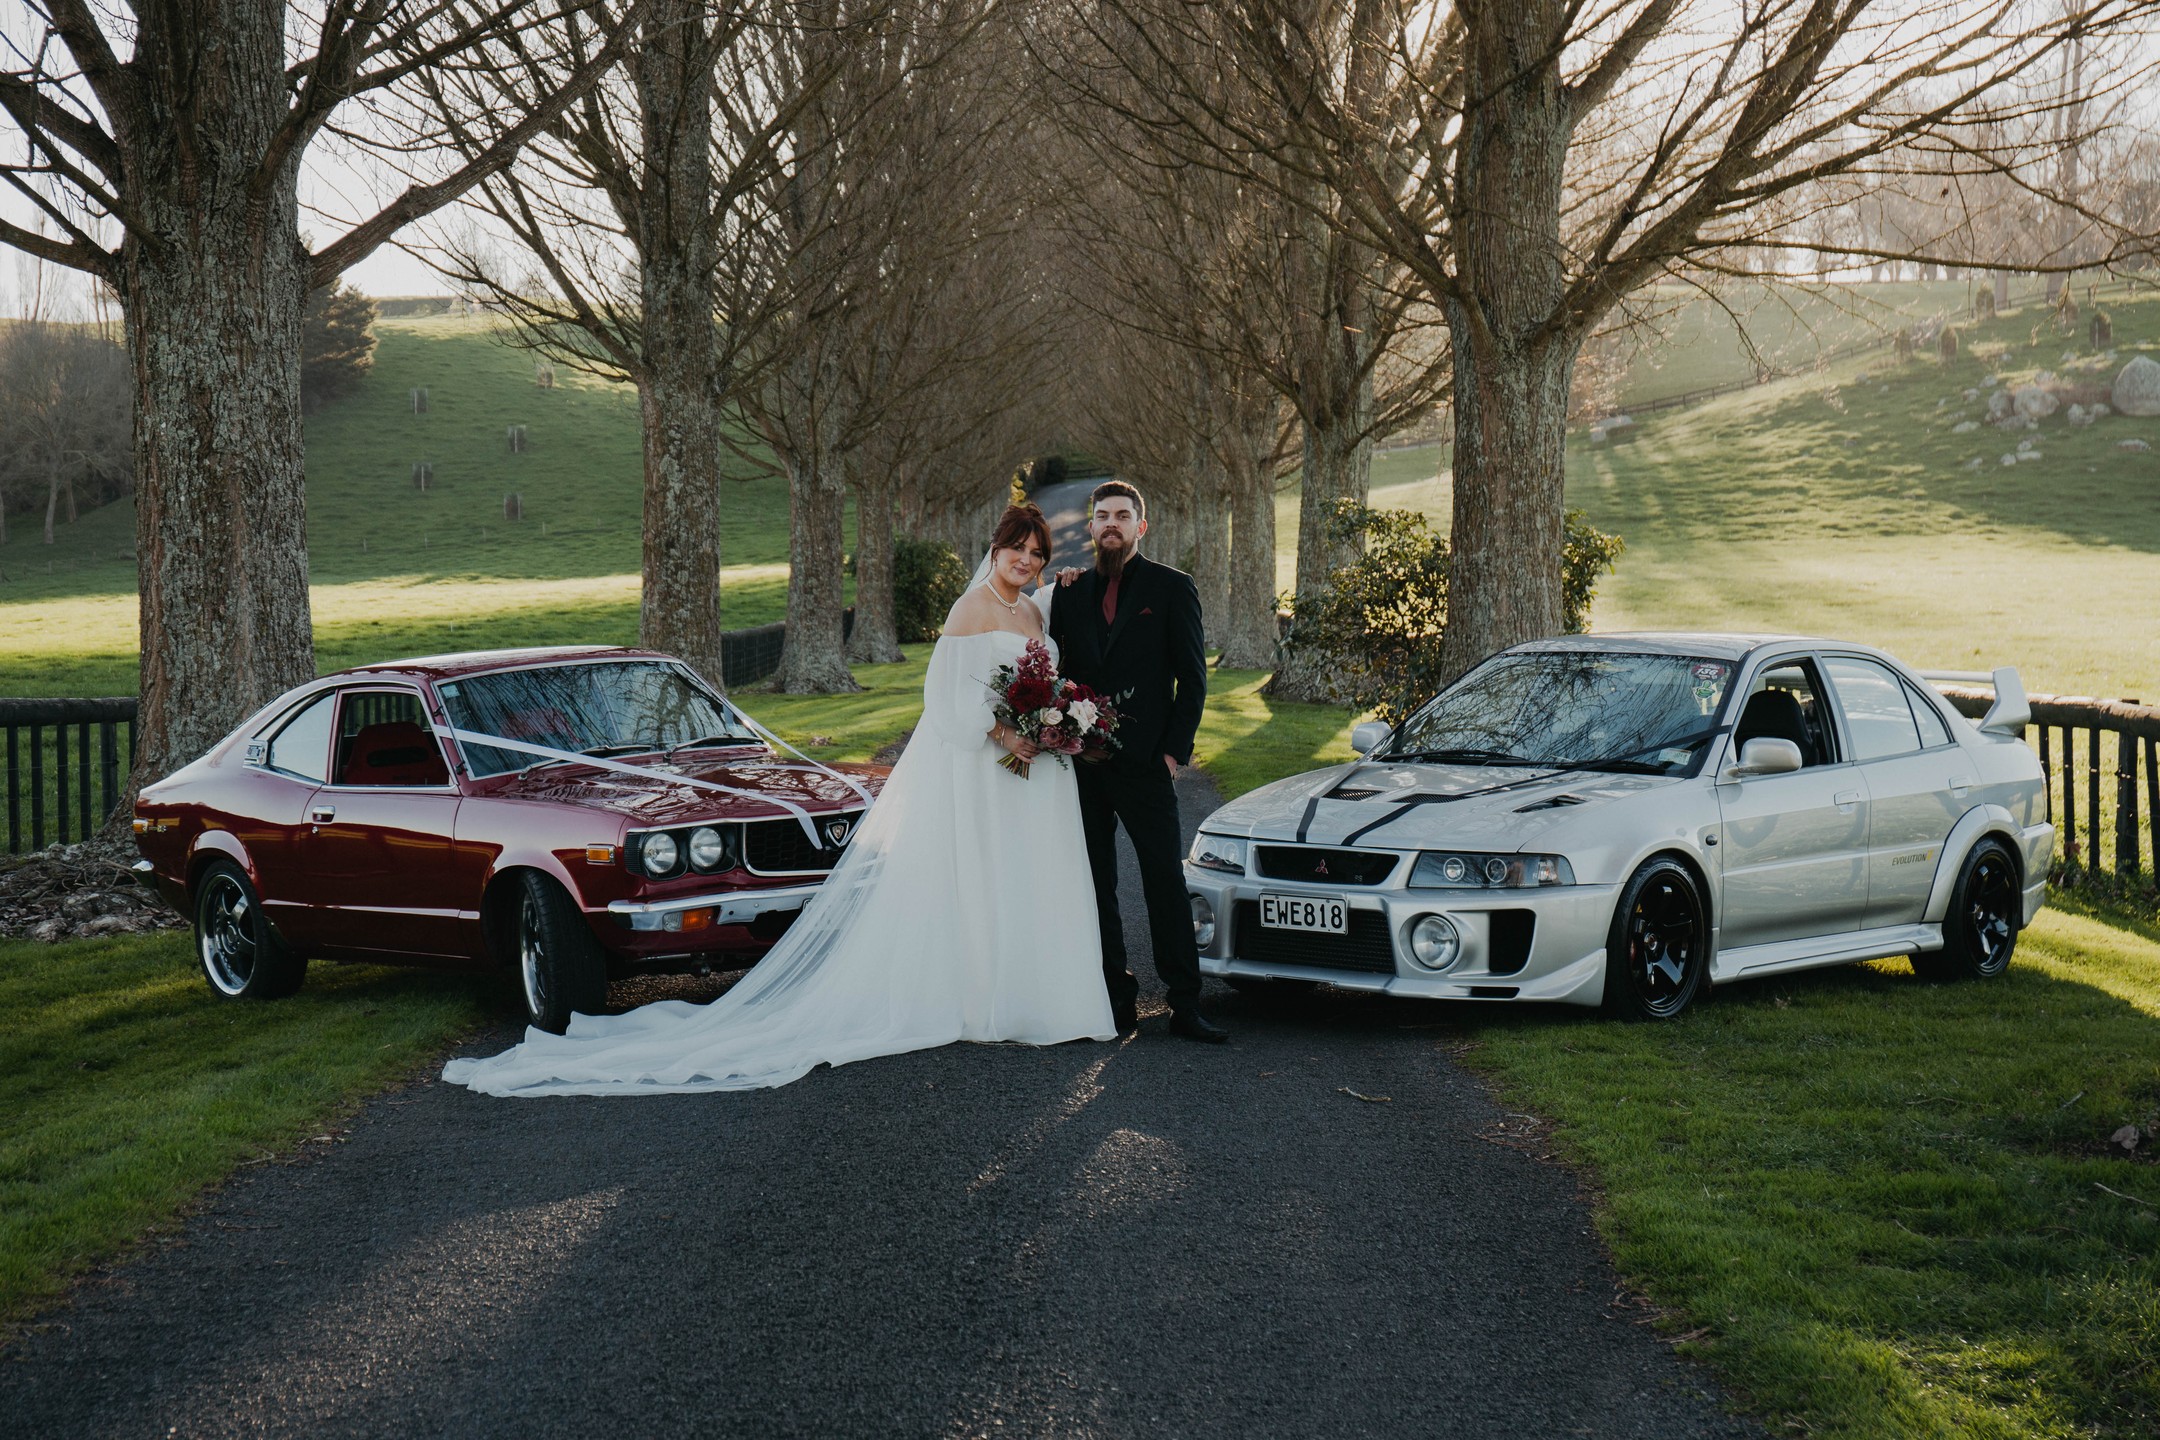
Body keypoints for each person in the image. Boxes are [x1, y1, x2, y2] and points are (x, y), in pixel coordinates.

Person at [441, 503, 1115, 1096]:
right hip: (987, 768)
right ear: (994, 549)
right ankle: (985, 999)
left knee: (1030, 879)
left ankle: (1039, 999)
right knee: (984, 878)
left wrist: (1054, 720)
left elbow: (1042, 663)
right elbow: (945, 701)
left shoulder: (1033, 606)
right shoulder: (968, 610)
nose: (1024, 562)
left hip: (1034, 777)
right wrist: (1006, 732)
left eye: (1035, 555)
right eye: (1015, 550)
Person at [1045, 481, 1226, 1043]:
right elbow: (1055, 674)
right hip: (1082, 766)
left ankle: (1185, 1004)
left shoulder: (1173, 588)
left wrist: (1174, 752)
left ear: (1140, 527)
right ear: (1091, 528)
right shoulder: (1067, 595)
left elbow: (1192, 680)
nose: (1111, 525)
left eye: (1122, 516)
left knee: (1163, 882)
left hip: (1148, 763)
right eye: (1102, 517)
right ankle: (1115, 1001)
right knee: (1095, 883)